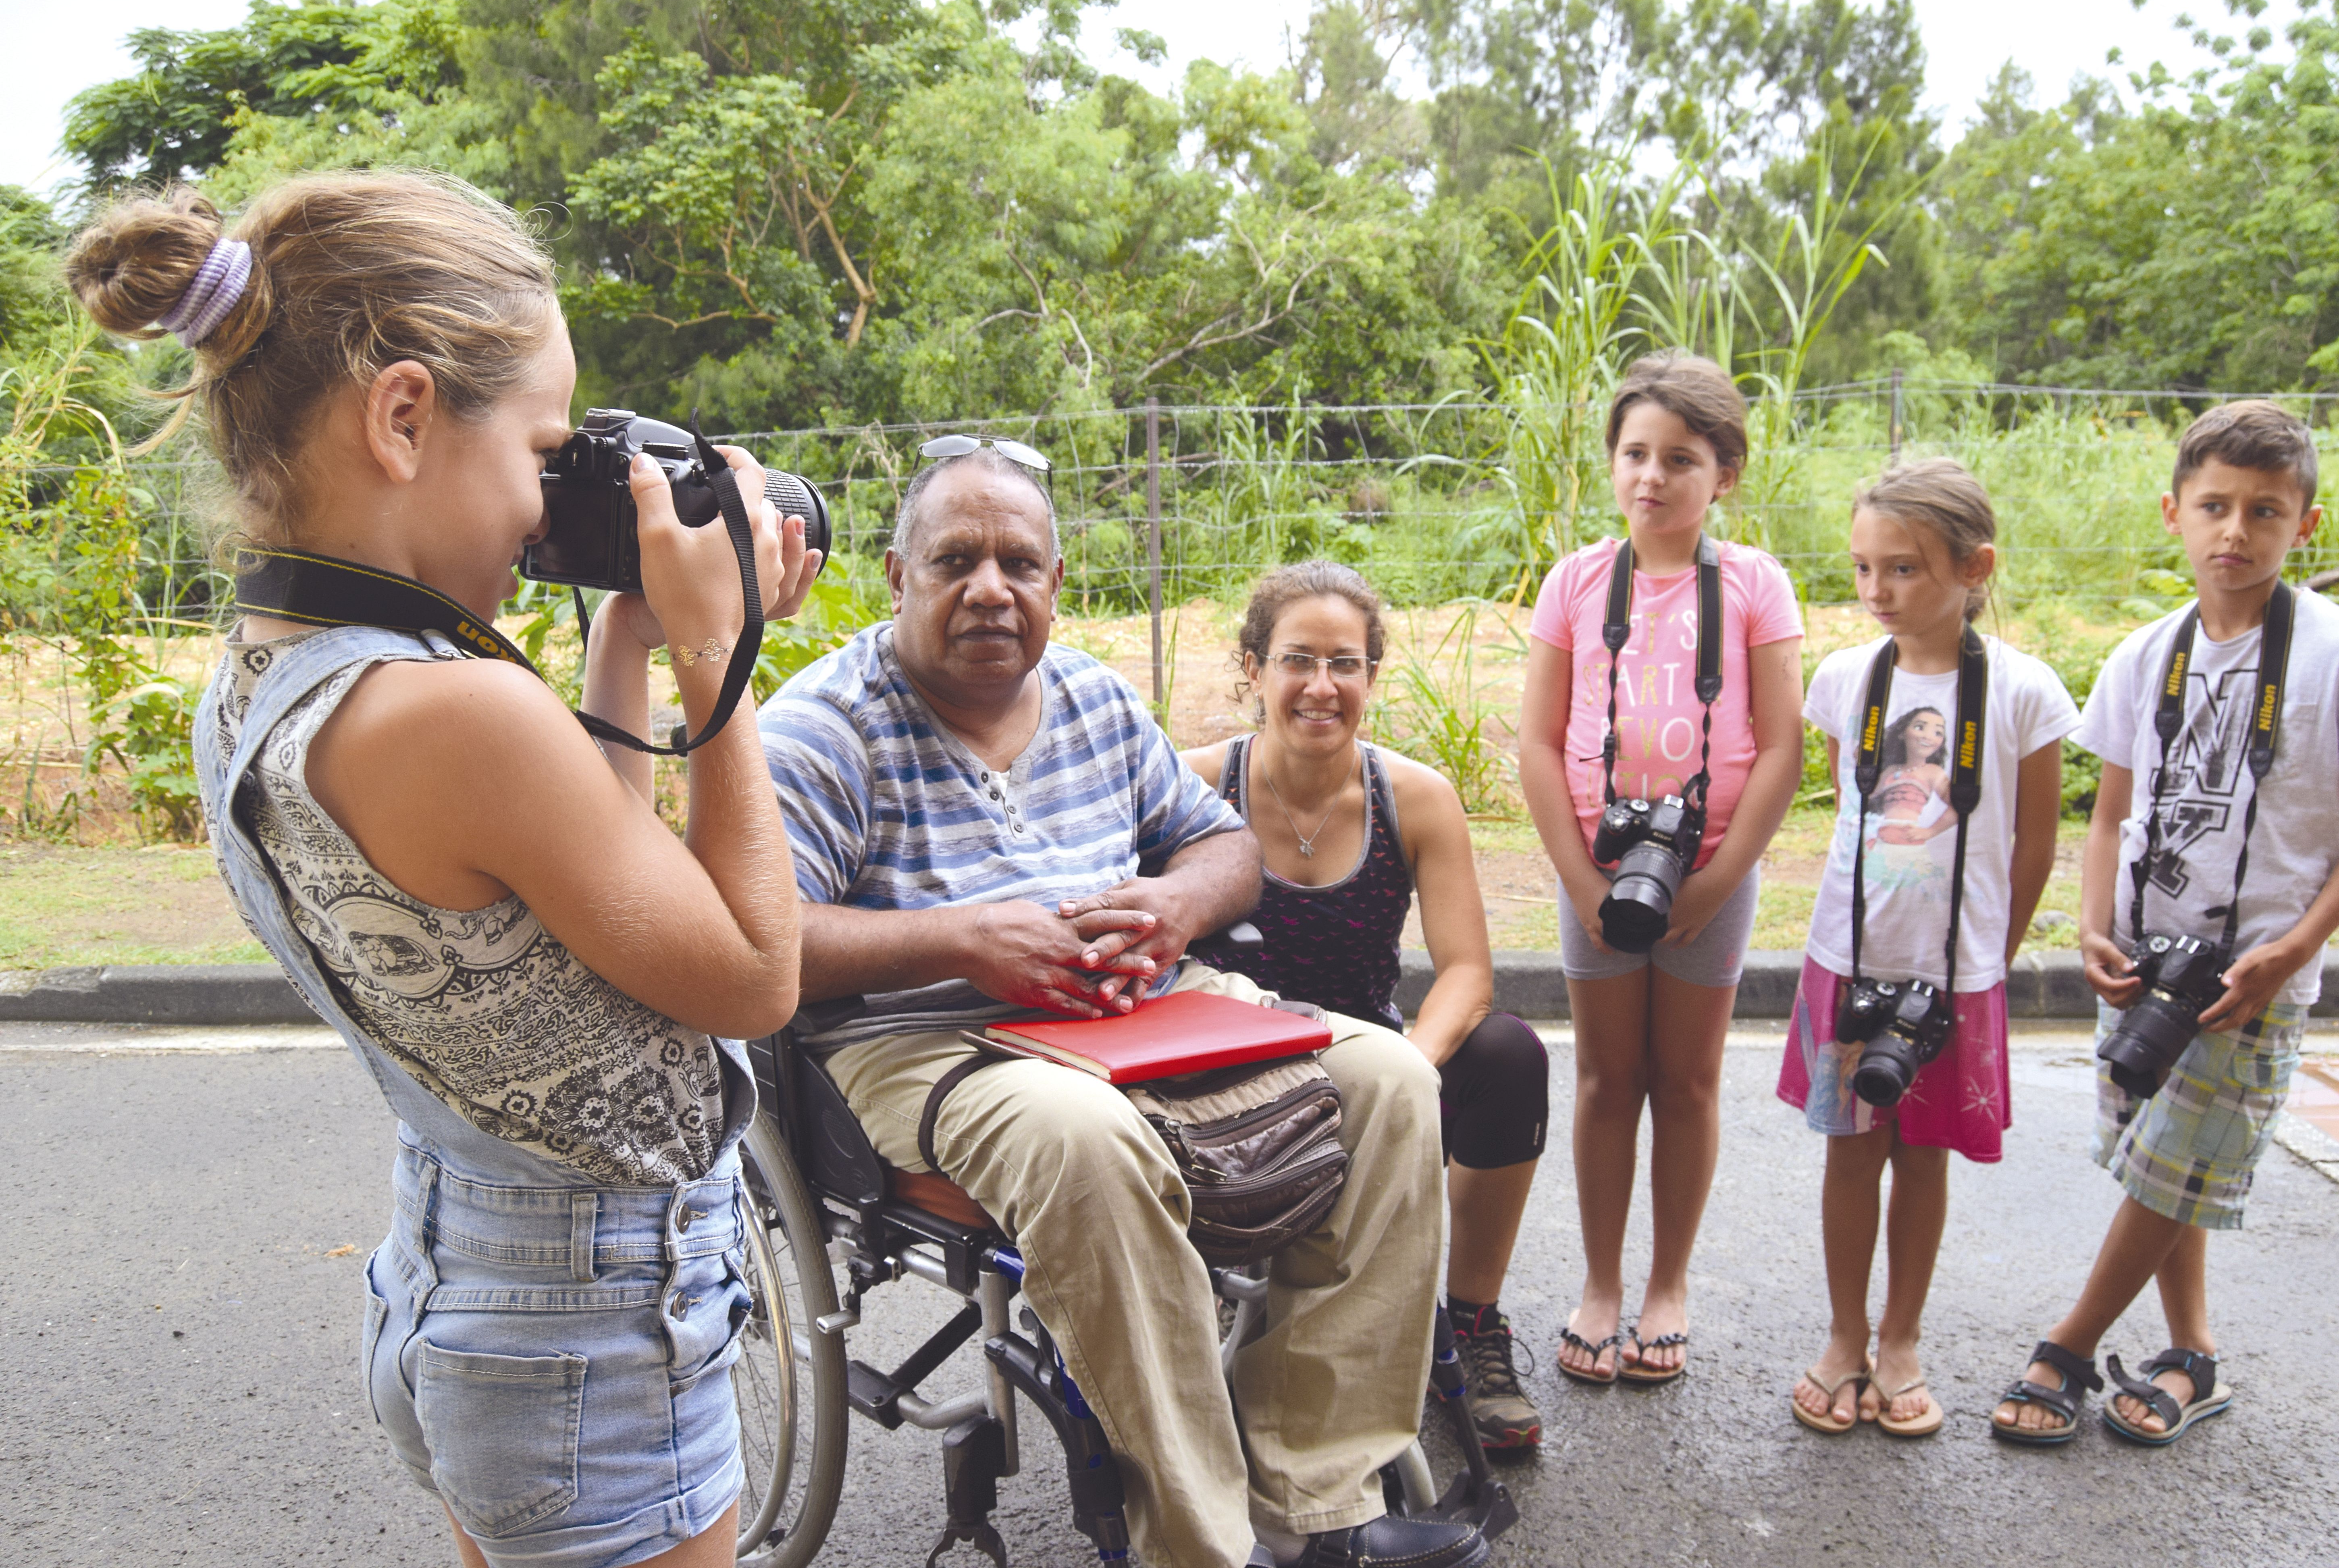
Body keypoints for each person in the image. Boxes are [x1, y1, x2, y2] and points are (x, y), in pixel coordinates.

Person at [71, 175, 821, 1568]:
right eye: (547, 454)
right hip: (595, 1338)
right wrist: (725, 658)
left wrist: (623, 648)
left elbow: (590, 911)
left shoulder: (268, 673)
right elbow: (752, 976)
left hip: (473, 1288)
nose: (552, 510)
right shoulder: (453, 712)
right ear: (404, 416)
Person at [757, 447, 1484, 1568]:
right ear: (900, 574)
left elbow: (1220, 844)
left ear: (1055, 583)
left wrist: (1175, 904)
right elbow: (765, 941)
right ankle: (1202, 1540)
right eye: (956, 560)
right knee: (1088, 1141)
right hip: (929, 1039)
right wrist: (960, 938)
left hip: (1139, 1003)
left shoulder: (1094, 696)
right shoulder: (823, 726)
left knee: (1389, 1084)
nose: (989, 587)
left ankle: (1317, 1496)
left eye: (1019, 562)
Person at [1990, 401, 2339, 1445]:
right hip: (2144, 959)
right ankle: (2192, 1356)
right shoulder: (2144, 654)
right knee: (2162, 1168)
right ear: (2173, 513)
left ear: (2305, 525)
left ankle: (2069, 1348)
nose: (2236, 531)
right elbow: (2110, 814)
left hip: (2253, 971)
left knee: (2173, 1166)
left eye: (2265, 511)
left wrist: (2297, 946)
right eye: (2214, 507)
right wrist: (2093, 928)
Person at [1183, 561, 1553, 1452]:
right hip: (1232, 1064)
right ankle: (1183, 1343)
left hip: (1373, 1049)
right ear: (1254, 670)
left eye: (1344, 664)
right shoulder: (1194, 784)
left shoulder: (1415, 796)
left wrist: (1412, 1070)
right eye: (1297, 660)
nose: (1321, 686)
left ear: (1372, 677)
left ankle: (1468, 1321)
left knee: (1510, 1056)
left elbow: (1467, 972)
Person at [1518, 349, 1806, 1386]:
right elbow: (1539, 745)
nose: (1652, 477)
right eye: (1634, 453)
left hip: (1710, 875)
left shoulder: (1757, 585)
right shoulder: (1576, 582)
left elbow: (1783, 747)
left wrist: (1719, 881)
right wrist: (1582, 882)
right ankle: (1600, 1281)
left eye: (1680, 458)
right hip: (1593, 869)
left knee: (1685, 1081)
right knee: (1603, 1080)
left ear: (1723, 473)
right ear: (1612, 463)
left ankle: (1666, 1284)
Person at [1777, 460, 2077, 1437]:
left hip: (1956, 973)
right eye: (1864, 567)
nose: (1877, 592)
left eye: (1902, 569)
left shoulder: (2027, 691)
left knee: (1925, 1155)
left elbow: (2036, 841)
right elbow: (1853, 819)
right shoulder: (1844, 678)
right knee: (1850, 1149)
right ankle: (1842, 1336)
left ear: (1974, 565)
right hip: (1848, 959)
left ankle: (1900, 1339)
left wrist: (1992, 951)